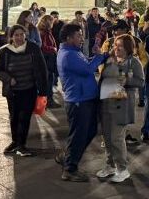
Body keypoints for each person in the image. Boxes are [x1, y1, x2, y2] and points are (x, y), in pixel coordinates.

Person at [56, 23, 108, 182]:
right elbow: (87, 69)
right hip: (79, 101)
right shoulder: (68, 55)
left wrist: (100, 56)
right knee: (79, 135)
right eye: (79, 35)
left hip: (85, 98)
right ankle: (70, 169)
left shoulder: (74, 52)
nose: (82, 38)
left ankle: (67, 156)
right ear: (68, 38)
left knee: (90, 131)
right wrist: (100, 56)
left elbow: (86, 64)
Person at [0, 24, 48, 157]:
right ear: (11, 37)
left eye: (21, 34)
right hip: (12, 91)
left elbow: (42, 69)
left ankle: (21, 145)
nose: (19, 37)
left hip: (29, 89)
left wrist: (43, 91)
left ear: (25, 35)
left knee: (25, 117)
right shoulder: (4, 51)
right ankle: (14, 142)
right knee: (14, 117)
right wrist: (8, 79)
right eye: (16, 35)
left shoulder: (33, 48)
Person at [97, 34, 144, 183]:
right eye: (115, 45)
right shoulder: (110, 60)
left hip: (122, 106)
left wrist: (127, 80)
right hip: (106, 102)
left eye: (120, 46)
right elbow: (102, 79)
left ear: (128, 48)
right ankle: (110, 165)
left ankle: (122, 169)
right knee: (106, 138)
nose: (116, 48)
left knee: (116, 138)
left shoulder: (134, 62)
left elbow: (141, 82)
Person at [37, 15, 60, 108]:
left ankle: (47, 101)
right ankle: (48, 101)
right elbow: (43, 46)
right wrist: (53, 49)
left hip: (49, 57)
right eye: (51, 21)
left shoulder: (47, 31)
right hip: (47, 58)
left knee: (49, 79)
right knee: (48, 79)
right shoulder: (44, 32)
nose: (52, 23)